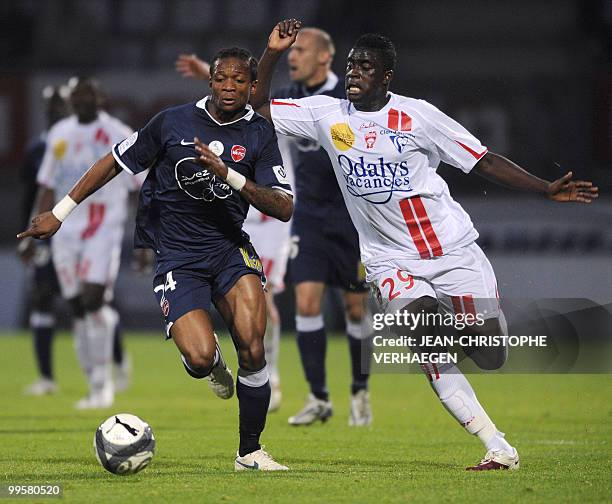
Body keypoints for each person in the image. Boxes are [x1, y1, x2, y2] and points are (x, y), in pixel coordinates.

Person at [251, 20, 599, 470]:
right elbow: (258, 105)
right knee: (426, 337)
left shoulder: (418, 116)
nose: (354, 73)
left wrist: (544, 188)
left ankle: (454, 338)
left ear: (387, 77)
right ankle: (497, 446)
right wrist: (273, 52)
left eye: (366, 67)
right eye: (352, 65)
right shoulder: (326, 114)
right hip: (388, 259)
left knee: (491, 355)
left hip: (453, 252)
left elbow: (483, 160)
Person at [19, 47, 293, 471]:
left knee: (254, 346)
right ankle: (213, 365)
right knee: (201, 359)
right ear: (210, 81)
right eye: (222, 79)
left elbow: (282, 205)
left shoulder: (259, 133)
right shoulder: (172, 121)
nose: (229, 87)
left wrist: (230, 175)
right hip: (178, 256)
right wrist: (59, 213)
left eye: (239, 81)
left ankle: (250, 452)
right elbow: (113, 163)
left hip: (229, 249)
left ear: (252, 86)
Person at [176, 28, 374, 427]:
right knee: (302, 302)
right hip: (305, 216)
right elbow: (249, 99)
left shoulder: (348, 96)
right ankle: (316, 395)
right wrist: (208, 73)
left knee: (355, 308)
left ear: (324, 56)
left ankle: (359, 390)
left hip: (353, 216)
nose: (295, 56)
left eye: (302, 50)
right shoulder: (291, 95)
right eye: (293, 50)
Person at [27, 77, 138, 409]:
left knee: (91, 300)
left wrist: (146, 234)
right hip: (66, 230)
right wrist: (33, 229)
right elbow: (47, 185)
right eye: (75, 96)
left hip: (104, 227)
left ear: (100, 97)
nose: (80, 100)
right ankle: (93, 382)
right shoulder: (59, 134)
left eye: (86, 94)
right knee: (76, 307)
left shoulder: (118, 132)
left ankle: (102, 387)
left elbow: (140, 183)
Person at [18, 85, 69, 395]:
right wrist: (28, 235)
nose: (53, 109)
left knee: (89, 302)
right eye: (49, 104)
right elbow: (30, 195)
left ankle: (110, 368)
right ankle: (46, 377)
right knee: (42, 295)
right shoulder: (37, 148)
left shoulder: (79, 140)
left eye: (58, 104)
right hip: (47, 235)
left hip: (81, 233)